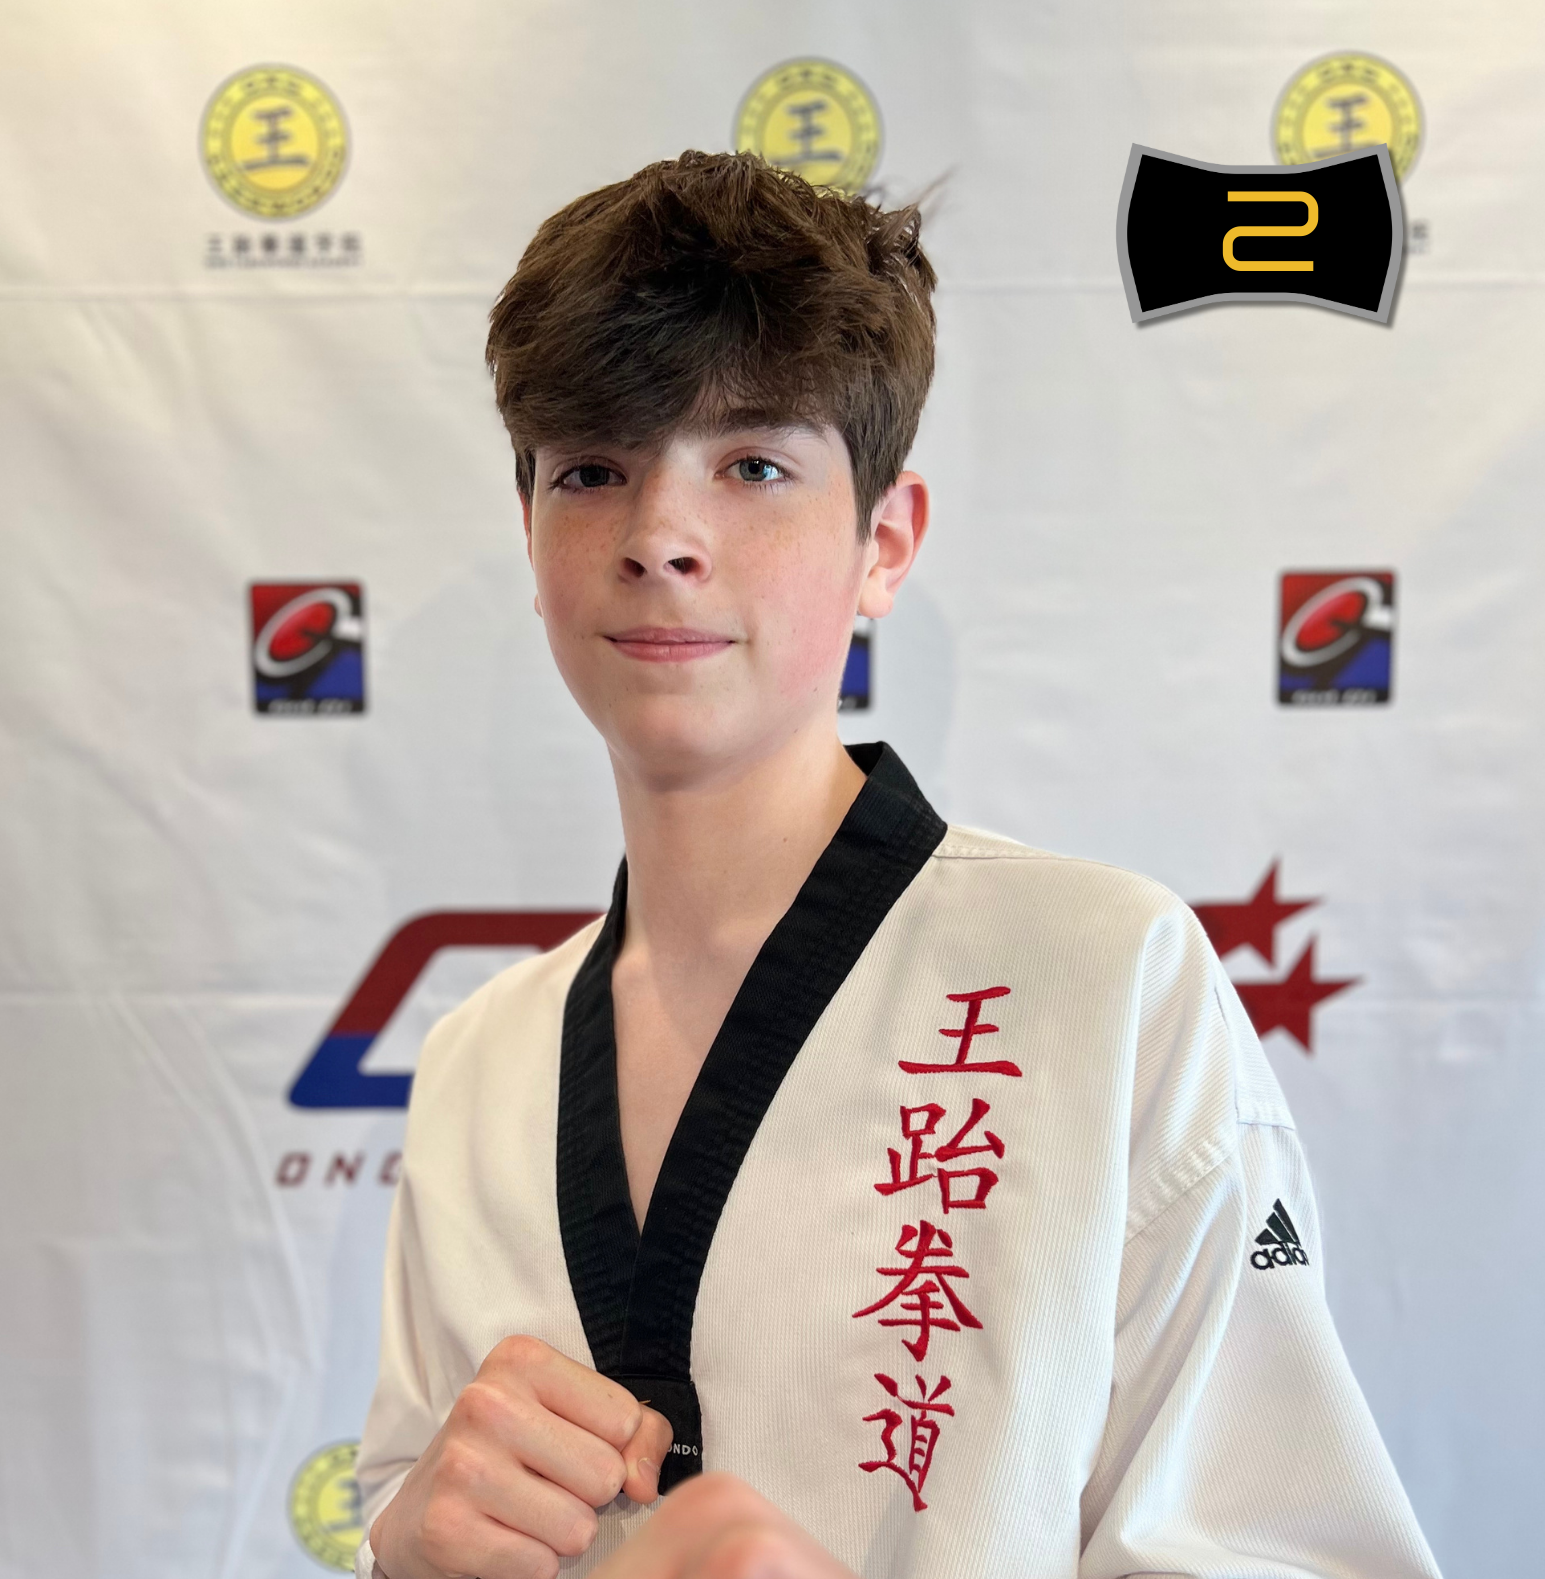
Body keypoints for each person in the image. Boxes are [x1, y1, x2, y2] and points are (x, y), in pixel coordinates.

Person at [353, 150, 1441, 1579]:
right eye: (593, 470)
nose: (661, 537)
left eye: (753, 466)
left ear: (886, 541)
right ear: (533, 527)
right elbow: (411, 1509)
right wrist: (403, 1549)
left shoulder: (1106, 977)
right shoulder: (478, 1059)